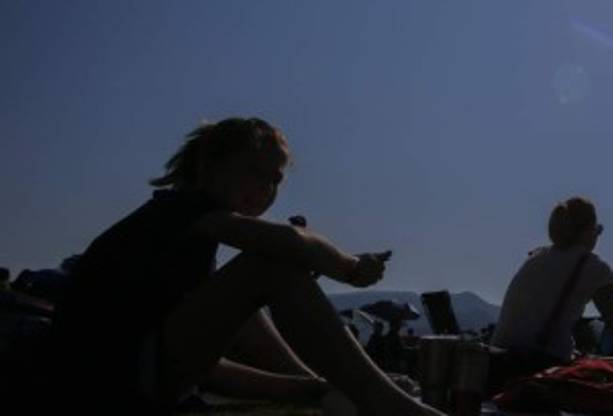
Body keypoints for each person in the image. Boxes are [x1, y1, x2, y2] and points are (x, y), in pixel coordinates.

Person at [52, 117, 442, 416]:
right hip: (100, 383)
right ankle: (389, 406)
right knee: (269, 264)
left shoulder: (188, 251)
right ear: (211, 165)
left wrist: (315, 388)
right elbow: (289, 243)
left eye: (275, 180)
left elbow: (207, 367)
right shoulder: (181, 210)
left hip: (127, 379)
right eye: (255, 172)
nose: (266, 189)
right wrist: (350, 267)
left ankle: (355, 391)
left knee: (264, 273)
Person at [491, 197, 613, 378]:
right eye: (597, 230)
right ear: (587, 231)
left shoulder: (536, 257)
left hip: (497, 363)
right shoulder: (591, 266)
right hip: (541, 364)